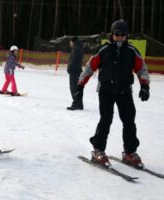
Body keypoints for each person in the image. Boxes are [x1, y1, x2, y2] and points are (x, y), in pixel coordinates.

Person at [76, 19, 150, 168]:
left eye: (123, 34)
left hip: (124, 91)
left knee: (129, 121)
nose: (120, 37)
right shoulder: (104, 50)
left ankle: (130, 152)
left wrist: (144, 86)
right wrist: (80, 85)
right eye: (117, 34)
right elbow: (90, 67)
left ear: (127, 36)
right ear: (112, 35)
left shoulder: (131, 51)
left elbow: (141, 68)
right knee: (106, 119)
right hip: (106, 91)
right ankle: (98, 150)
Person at [66, 36, 84, 110]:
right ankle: (79, 104)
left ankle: (76, 103)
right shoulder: (79, 48)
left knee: (74, 87)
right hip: (77, 70)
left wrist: (70, 68)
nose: (70, 43)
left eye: (70, 41)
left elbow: (75, 60)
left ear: (73, 42)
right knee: (77, 87)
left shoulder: (76, 49)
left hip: (74, 71)